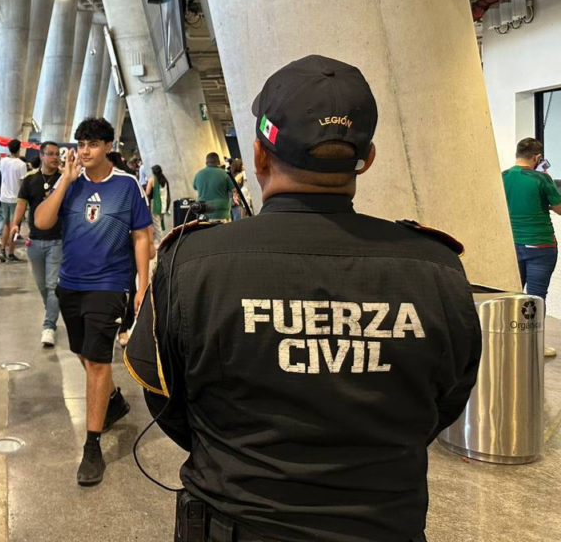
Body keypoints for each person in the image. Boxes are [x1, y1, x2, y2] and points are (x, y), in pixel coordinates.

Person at [126, 55, 482, 542]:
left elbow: (163, 396)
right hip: (385, 525)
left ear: (259, 156)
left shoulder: (192, 263)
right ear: (367, 159)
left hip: (237, 523)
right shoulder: (437, 268)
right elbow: (447, 398)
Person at [34, 117, 152, 486]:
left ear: (107, 147)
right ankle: (113, 400)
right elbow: (41, 222)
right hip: (70, 284)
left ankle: (92, 446)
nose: (85, 151)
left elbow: (141, 237)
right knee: (83, 353)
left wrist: (143, 285)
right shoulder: (69, 184)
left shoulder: (126, 185)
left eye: (93, 144)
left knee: (99, 361)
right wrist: (65, 181)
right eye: (81, 144)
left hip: (110, 284)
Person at [503, 137, 561, 358]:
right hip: (540, 245)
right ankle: (533, 346)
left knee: (512, 294)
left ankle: (510, 343)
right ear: (538, 158)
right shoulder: (541, 178)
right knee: (536, 298)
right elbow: (559, 208)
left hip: (512, 244)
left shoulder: (503, 176)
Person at [15, 141, 64, 348]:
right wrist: (15, 225)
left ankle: (49, 326)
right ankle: (51, 310)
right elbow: (21, 205)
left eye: (57, 154)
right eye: (50, 154)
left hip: (58, 240)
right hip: (34, 241)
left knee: (53, 285)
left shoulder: (64, 179)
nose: (55, 158)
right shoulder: (30, 179)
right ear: (41, 156)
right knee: (42, 285)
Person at [0, 139, 27, 263]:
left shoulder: (3, 161)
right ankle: (11, 253)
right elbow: (23, 183)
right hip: (16, 199)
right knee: (15, 226)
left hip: (3, 197)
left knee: (6, 224)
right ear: (19, 149)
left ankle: (2, 250)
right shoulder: (21, 164)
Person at [193, 152, 237, 221]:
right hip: (222, 214)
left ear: (206, 162)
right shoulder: (224, 174)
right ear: (218, 162)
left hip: (204, 213)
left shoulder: (198, 174)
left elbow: (194, 187)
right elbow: (234, 189)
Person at [145, 164, 170, 243]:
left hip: (156, 205)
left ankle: (161, 243)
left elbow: (147, 192)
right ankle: (160, 241)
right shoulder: (164, 179)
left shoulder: (152, 180)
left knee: (157, 227)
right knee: (159, 225)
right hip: (164, 205)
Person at [229, 156, 251, 221]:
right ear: (239, 166)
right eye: (242, 165)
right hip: (243, 204)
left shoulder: (234, 178)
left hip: (238, 204)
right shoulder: (243, 175)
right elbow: (245, 191)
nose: (244, 166)